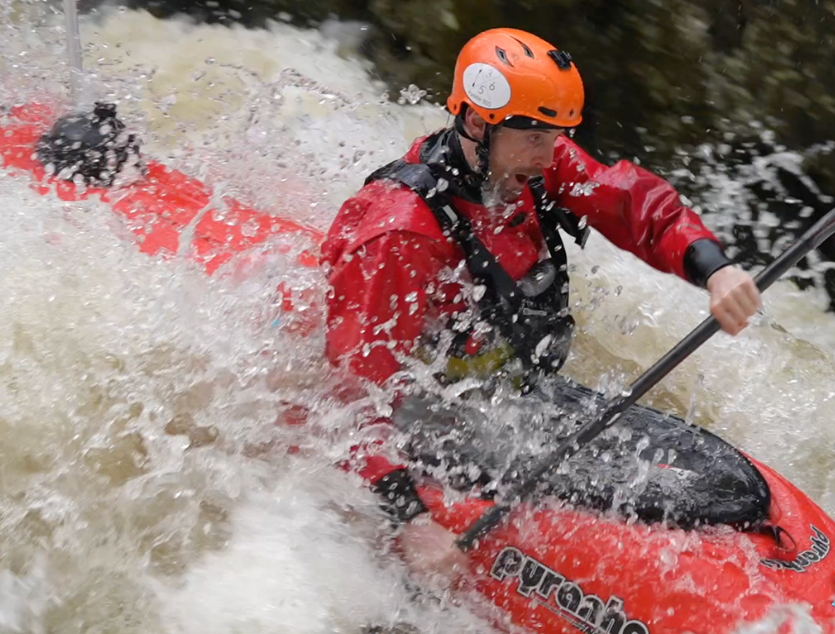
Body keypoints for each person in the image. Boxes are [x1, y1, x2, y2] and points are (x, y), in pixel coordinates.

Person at [321, 28, 763, 577]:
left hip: (504, 395)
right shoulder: (402, 234)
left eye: (556, 136)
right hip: (414, 421)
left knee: (711, 484)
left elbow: (634, 206)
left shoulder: (524, 163)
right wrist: (409, 519)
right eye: (536, 136)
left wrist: (713, 268)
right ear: (477, 122)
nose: (551, 155)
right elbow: (350, 398)